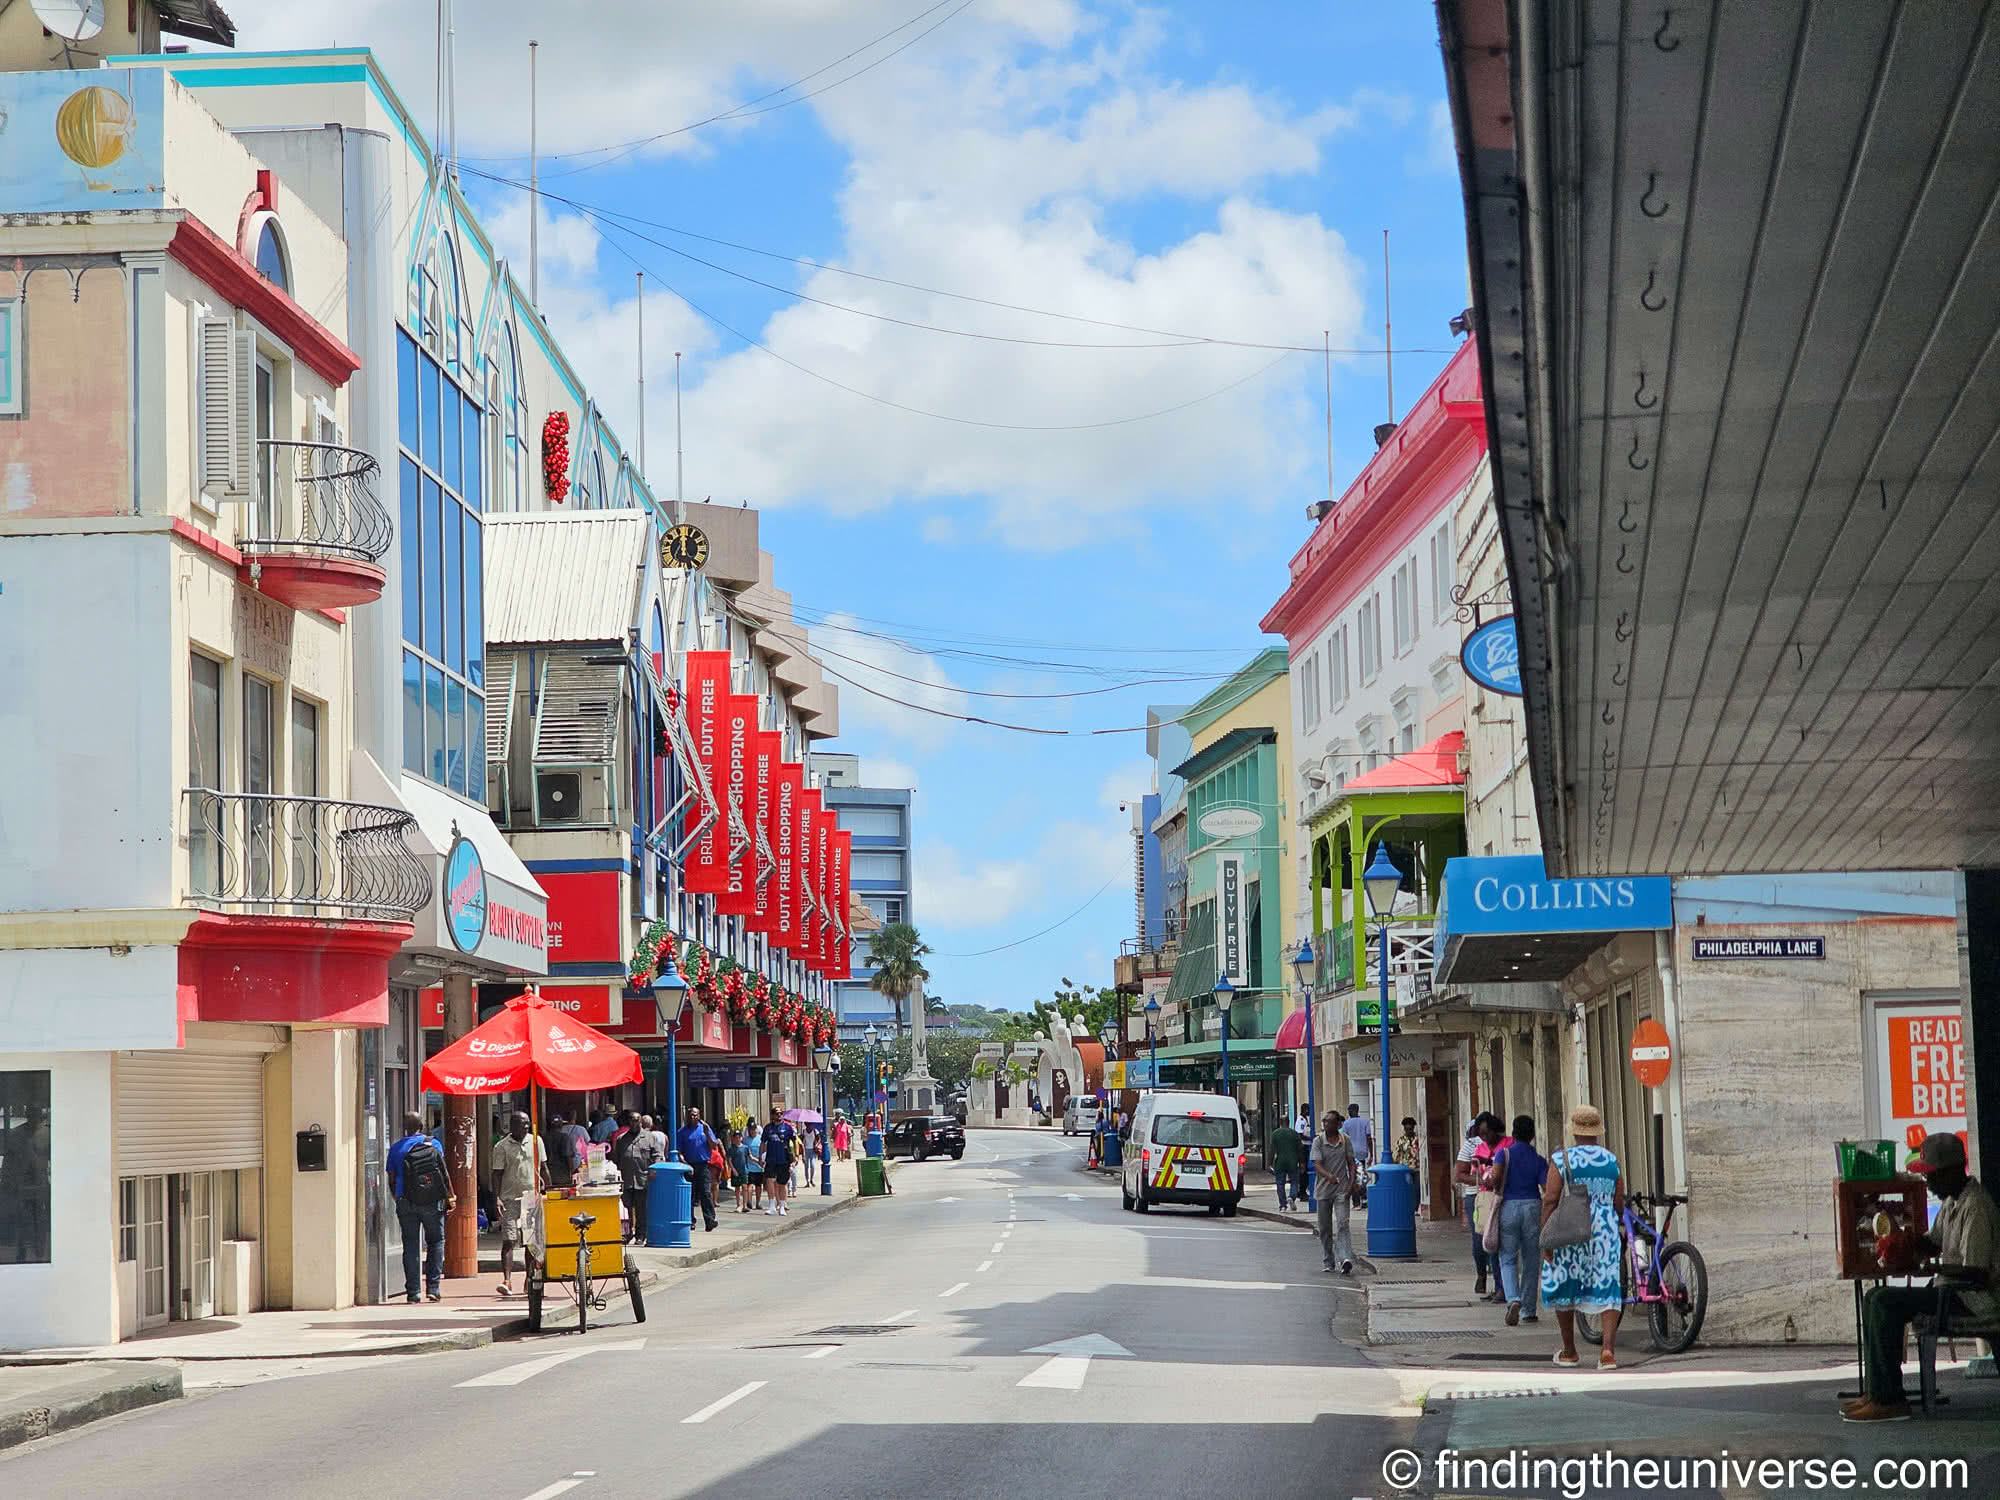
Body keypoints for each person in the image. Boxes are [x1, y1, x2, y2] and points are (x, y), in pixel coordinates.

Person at [1841, 1131, 1999, 1422]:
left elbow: (1975, 1274)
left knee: (1886, 1301)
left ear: (1953, 1171)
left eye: (1933, 1175)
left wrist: (1932, 1269)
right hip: (1952, 1292)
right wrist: (1905, 1242)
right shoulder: (1953, 1202)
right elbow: (1933, 1242)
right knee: (1874, 1296)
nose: (1928, 1182)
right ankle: (1878, 1392)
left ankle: (1890, 1400)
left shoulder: (1975, 1207)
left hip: (1972, 1299)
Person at [1540, 1104, 1626, 1369]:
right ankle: (1608, 1352)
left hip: (1571, 1230)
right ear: (1598, 1131)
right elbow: (1619, 1201)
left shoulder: (1562, 1159)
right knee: (1609, 1285)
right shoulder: (1611, 1160)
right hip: (1605, 1231)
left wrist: (1546, 1236)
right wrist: (1615, 1223)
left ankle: (1569, 1351)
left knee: (1564, 1283)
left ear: (1574, 1131)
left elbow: (1551, 1200)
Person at [387, 1112, 455, 1304]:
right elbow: (443, 1173)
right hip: (432, 1201)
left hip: (406, 1201)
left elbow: (391, 1179)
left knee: (410, 1246)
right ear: (422, 1125)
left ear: (404, 1126)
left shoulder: (395, 1149)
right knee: (436, 1241)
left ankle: (413, 1292)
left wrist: (398, 1198)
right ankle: (433, 1288)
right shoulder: (434, 1145)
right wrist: (450, 1197)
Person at [1491, 1114, 1548, 1326]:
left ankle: (1513, 1298)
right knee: (1531, 1259)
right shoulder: (1538, 1159)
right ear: (1532, 1135)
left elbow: (1496, 1178)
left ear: (1513, 1134)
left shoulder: (1503, 1154)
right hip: (1533, 1206)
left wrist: (1492, 1183)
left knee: (1507, 1256)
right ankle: (1529, 1310)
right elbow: (1546, 1187)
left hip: (1508, 1207)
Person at [489, 1111, 546, 1298]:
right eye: (523, 1123)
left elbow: (543, 1168)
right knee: (509, 1240)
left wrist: (549, 1191)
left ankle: (529, 1279)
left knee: (531, 1241)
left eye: (528, 1123)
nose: (526, 1127)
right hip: (509, 1199)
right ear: (512, 1125)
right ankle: (507, 1280)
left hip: (532, 1198)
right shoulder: (501, 1147)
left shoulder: (536, 1142)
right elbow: (496, 1174)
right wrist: (496, 1197)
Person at [1456, 1114, 1503, 1294]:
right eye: (1481, 1132)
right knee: (1479, 1239)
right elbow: (1459, 1174)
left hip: (1498, 1195)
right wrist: (1482, 1181)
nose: (1484, 1136)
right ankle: (1481, 1275)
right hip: (1476, 1197)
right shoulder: (1471, 1145)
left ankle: (1499, 1284)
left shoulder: (1505, 1144)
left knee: (1496, 1238)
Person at [1311, 1110, 1359, 1274]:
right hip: (1324, 1191)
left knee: (1342, 1224)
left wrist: (1351, 1183)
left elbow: (1351, 1163)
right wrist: (1328, 1176)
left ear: (1337, 1124)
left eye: (1329, 1122)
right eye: (1324, 1121)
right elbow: (1317, 1164)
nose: (1326, 1125)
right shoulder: (1318, 1141)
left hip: (1341, 1189)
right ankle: (1328, 1259)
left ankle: (1345, 1258)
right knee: (1324, 1228)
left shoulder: (1345, 1141)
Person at [618, 1112, 665, 1242]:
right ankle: (627, 1233)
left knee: (641, 1209)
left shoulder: (650, 1137)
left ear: (640, 1122)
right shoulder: (622, 1139)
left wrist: (654, 1169)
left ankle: (640, 1235)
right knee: (626, 1208)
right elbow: (617, 1158)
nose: (634, 1123)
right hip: (626, 1178)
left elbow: (658, 1156)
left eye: (636, 1121)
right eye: (631, 1121)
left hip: (642, 1178)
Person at [673, 1107, 720, 1233]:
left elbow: (714, 1145)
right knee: (690, 1196)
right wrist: (685, 1163)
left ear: (699, 1116)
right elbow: (679, 1152)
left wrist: (707, 1133)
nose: (693, 1117)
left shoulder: (705, 1129)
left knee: (706, 1193)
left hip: (703, 1165)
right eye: (690, 1115)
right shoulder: (682, 1131)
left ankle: (710, 1220)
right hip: (689, 1166)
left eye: (695, 1115)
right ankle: (690, 1221)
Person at [763, 1105, 797, 1216]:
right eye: (777, 1113)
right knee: (769, 1181)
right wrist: (761, 1156)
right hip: (771, 1158)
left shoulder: (787, 1128)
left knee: (782, 1183)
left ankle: (782, 1206)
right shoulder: (768, 1128)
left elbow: (794, 1142)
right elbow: (763, 1142)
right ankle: (772, 1206)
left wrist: (795, 1156)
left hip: (783, 1159)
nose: (779, 1115)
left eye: (781, 1113)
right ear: (772, 1115)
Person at [1269, 1114, 1302, 1213]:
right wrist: (1302, 1162)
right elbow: (1300, 1149)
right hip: (1293, 1161)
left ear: (1280, 1122)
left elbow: (1272, 1150)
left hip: (1280, 1162)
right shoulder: (1294, 1134)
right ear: (1289, 1122)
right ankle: (1291, 1197)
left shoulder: (1275, 1134)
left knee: (1280, 1183)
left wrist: (1269, 1164)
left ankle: (1283, 1205)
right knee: (1294, 1181)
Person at [728, 1129, 754, 1212]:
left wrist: (758, 1161)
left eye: (739, 1137)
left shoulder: (745, 1148)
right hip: (736, 1170)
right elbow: (729, 1160)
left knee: (744, 1187)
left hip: (744, 1170)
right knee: (737, 1188)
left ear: (741, 1138)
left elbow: (750, 1157)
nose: (737, 1139)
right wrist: (733, 1170)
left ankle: (745, 1205)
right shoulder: (731, 1148)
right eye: (735, 1137)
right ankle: (738, 1204)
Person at [743, 1120, 766, 1210]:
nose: (752, 1131)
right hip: (749, 1166)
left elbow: (764, 1150)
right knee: (750, 1185)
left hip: (759, 1167)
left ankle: (758, 1202)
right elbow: (745, 1153)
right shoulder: (745, 1140)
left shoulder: (761, 1139)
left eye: (753, 1129)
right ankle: (749, 1201)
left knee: (758, 1186)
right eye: (750, 1129)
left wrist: (762, 1161)